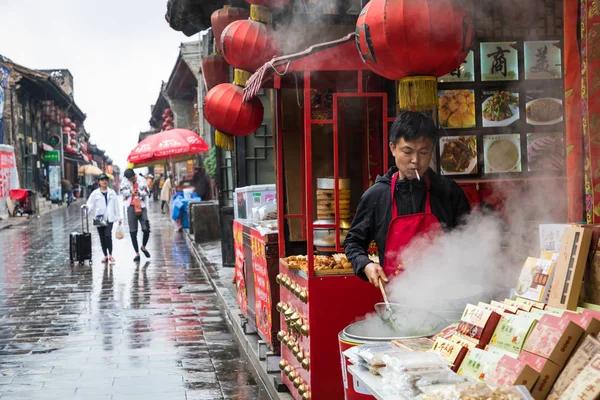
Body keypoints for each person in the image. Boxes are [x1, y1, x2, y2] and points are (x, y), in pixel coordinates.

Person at [344, 111, 471, 288]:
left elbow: (469, 239)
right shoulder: (376, 196)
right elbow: (353, 242)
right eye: (407, 151)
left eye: (424, 152)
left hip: (447, 294)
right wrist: (366, 264)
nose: (415, 160)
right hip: (398, 298)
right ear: (393, 148)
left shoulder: (448, 191)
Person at [83, 174, 121, 264]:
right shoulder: (95, 193)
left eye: (106, 180)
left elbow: (116, 206)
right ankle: (105, 255)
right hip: (99, 217)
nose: (104, 181)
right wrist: (87, 207)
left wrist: (118, 217)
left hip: (109, 217)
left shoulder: (112, 192)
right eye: (102, 180)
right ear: (99, 182)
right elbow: (90, 203)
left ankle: (110, 254)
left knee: (108, 235)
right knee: (102, 237)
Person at [121, 168, 151, 262]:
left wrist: (140, 193)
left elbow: (147, 192)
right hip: (131, 207)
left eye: (132, 178)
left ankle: (143, 246)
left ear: (134, 175)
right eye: (129, 179)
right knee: (133, 232)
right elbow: (121, 192)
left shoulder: (142, 180)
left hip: (141, 206)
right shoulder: (124, 181)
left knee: (146, 228)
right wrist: (130, 192)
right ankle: (137, 253)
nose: (131, 180)